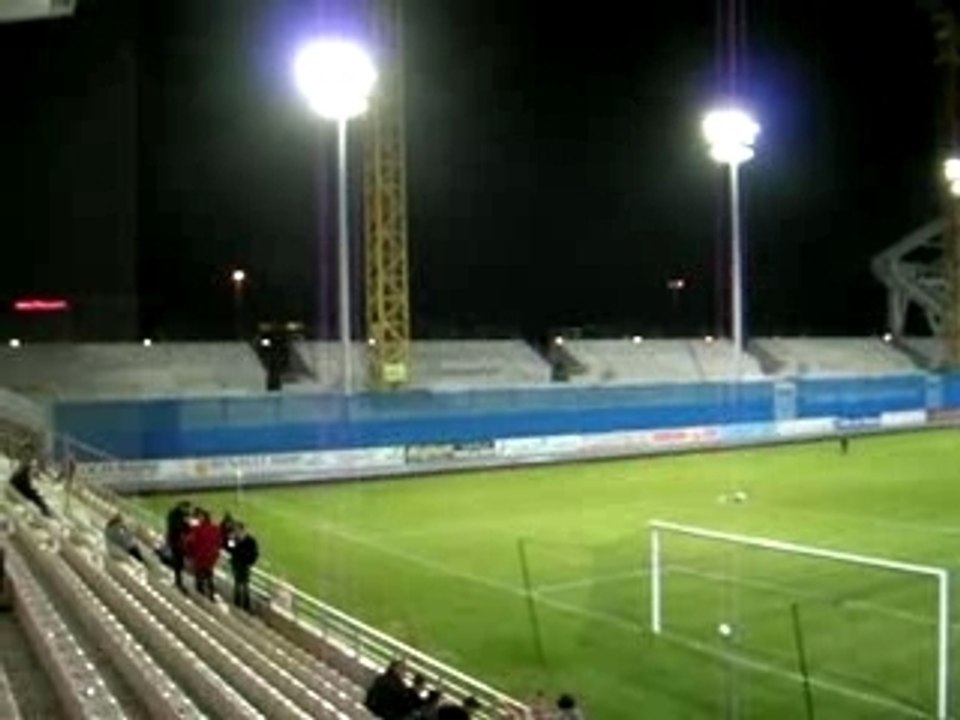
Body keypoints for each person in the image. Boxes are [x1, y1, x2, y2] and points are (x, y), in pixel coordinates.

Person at [185, 509, 221, 600]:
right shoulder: (215, 529)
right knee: (209, 576)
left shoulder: (197, 529)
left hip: (199, 557)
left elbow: (190, 542)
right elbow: (218, 543)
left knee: (199, 576)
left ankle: (200, 596)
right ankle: (211, 595)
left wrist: (190, 555)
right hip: (210, 558)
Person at [227, 522, 259, 611]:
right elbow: (230, 549)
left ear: (241, 530)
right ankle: (238, 603)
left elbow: (255, 553)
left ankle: (245, 604)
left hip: (244, 565)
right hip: (237, 564)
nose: (235, 532)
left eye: (237, 530)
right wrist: (231, 540)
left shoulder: (250, 541)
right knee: (238, 583)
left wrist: (250, 562)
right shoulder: (235, 539)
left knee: (244, 584)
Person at [165, 500, 191, 591]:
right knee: (177, 560)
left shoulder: (181, 514)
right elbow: (176, 527)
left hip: (178, 541)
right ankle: (178, 581)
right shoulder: (175, 515)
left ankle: (178, 579)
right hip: (175, 541)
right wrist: (185, 526)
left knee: (179, 560)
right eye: (186, 508)